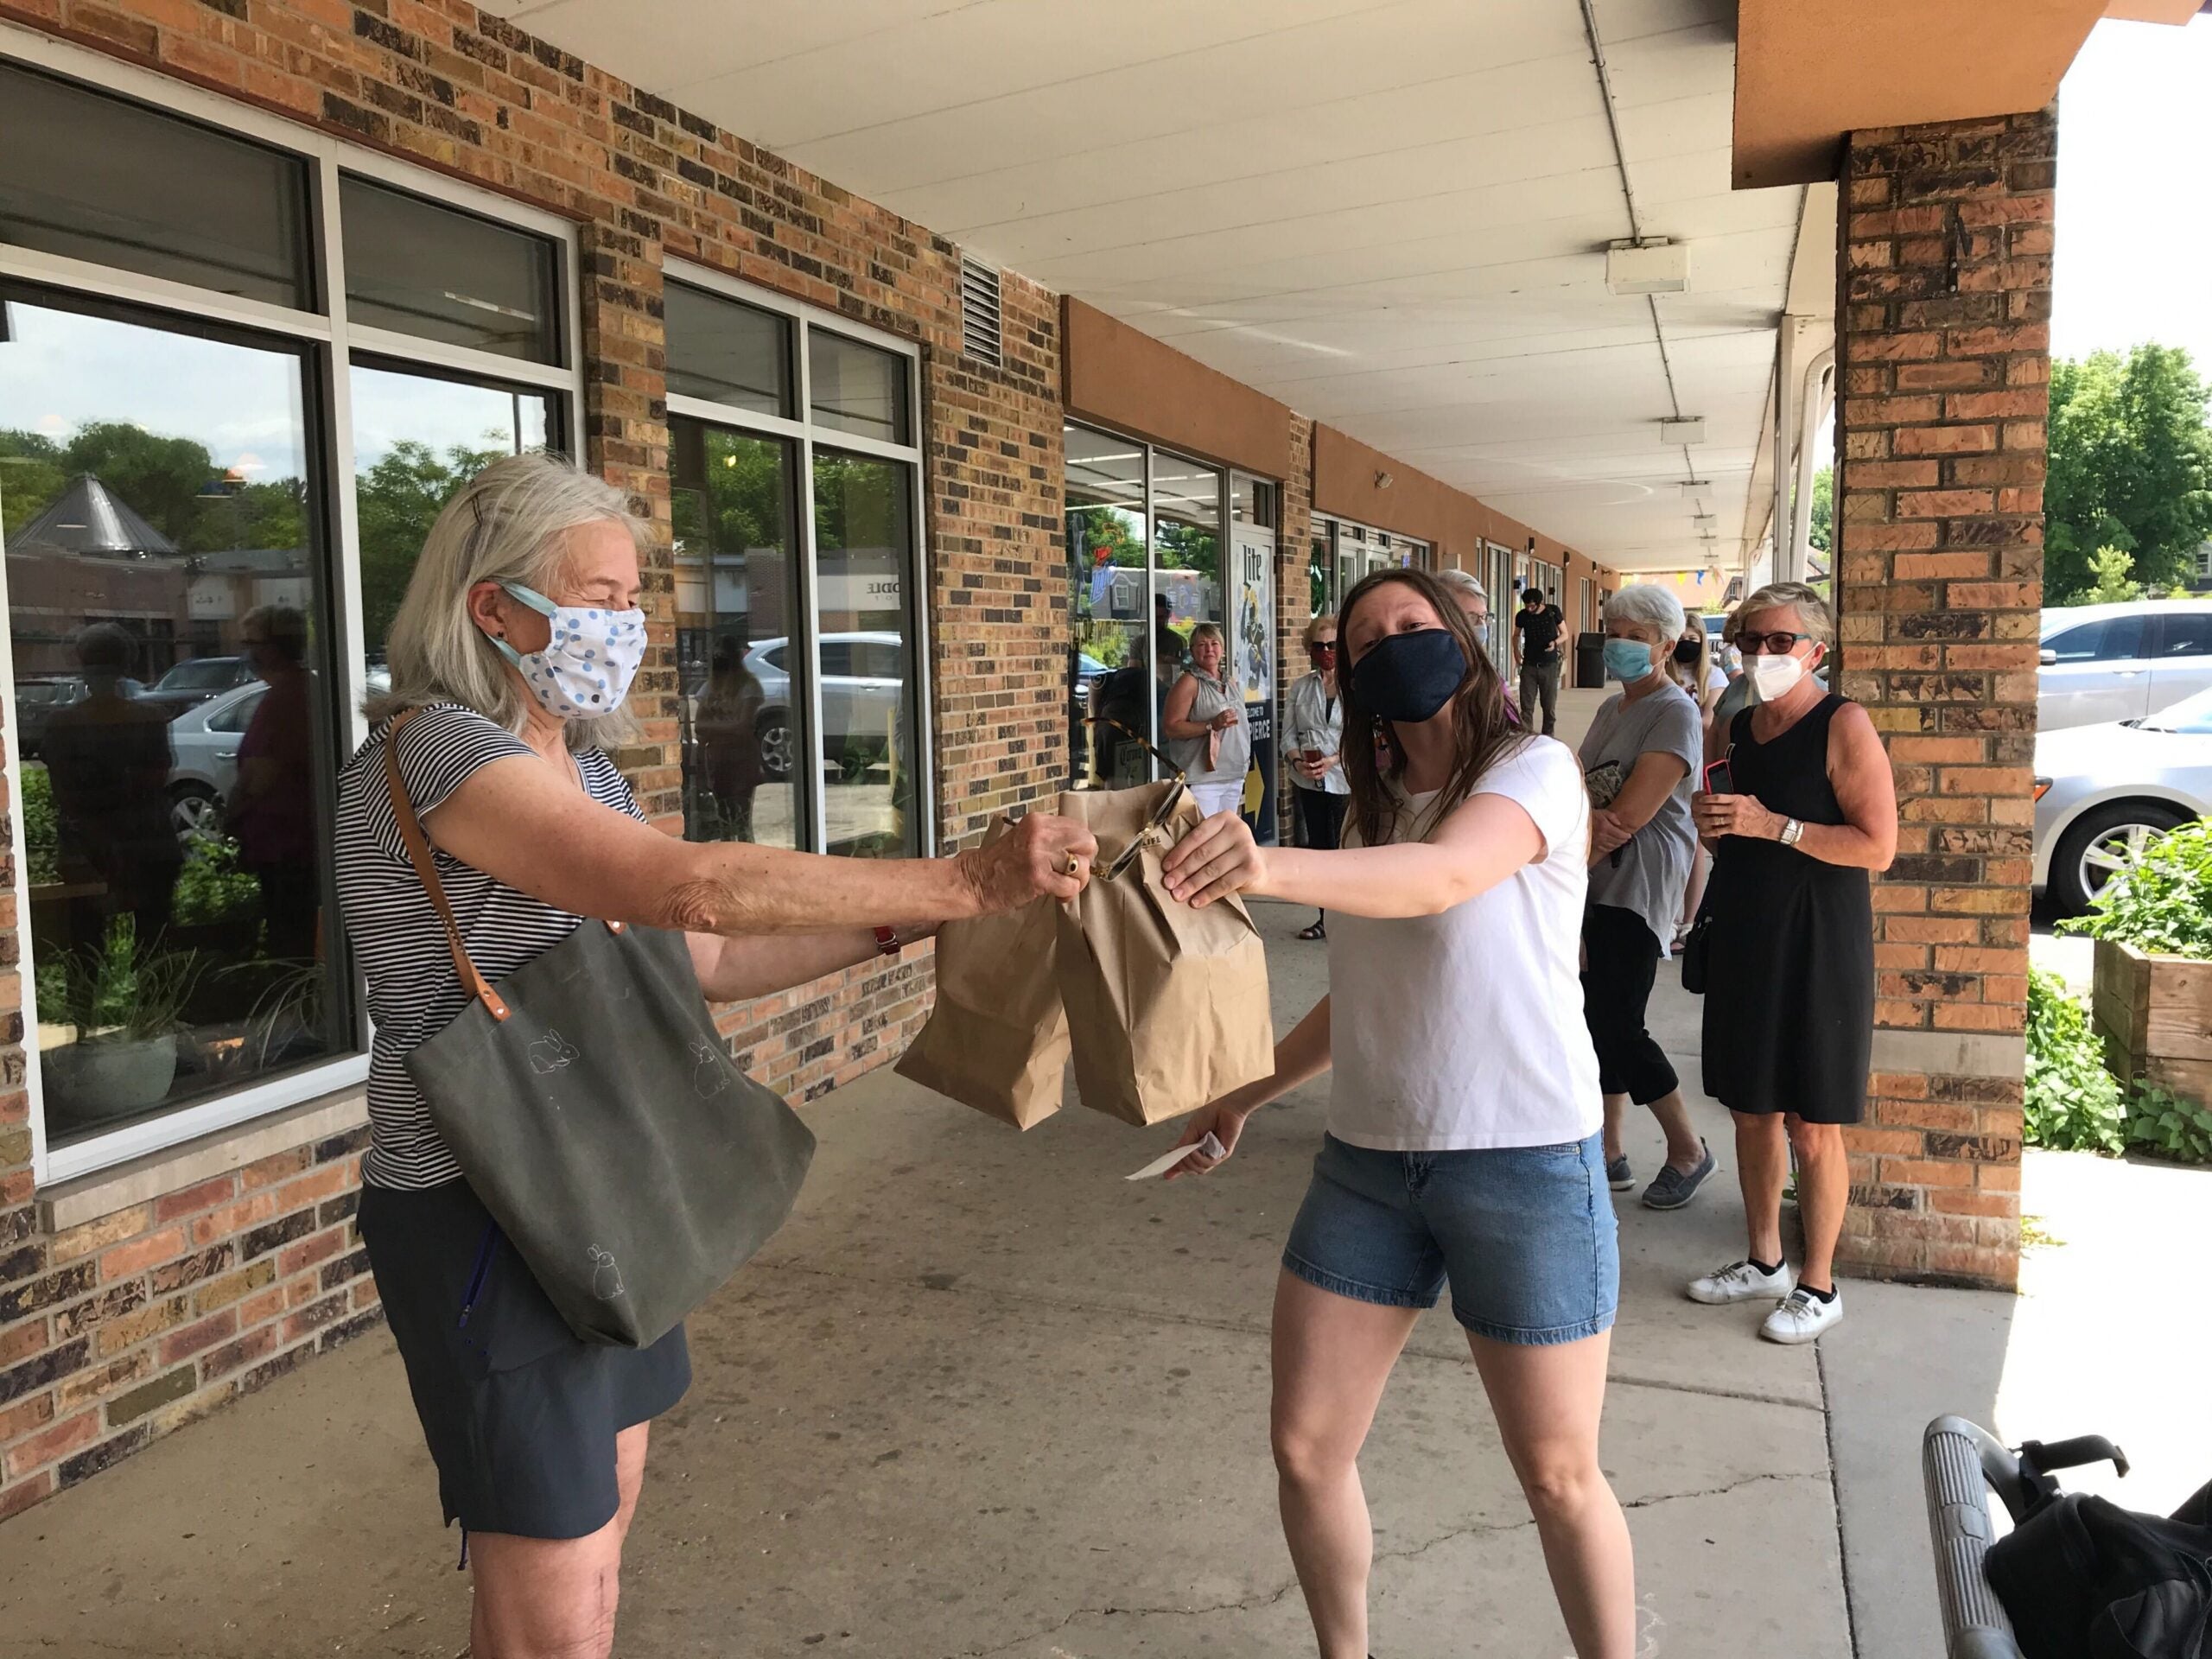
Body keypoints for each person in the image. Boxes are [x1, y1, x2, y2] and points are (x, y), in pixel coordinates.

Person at [334, 454, 1096, 1659]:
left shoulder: (579, 767)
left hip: (608, 1184)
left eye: (633, 600)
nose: (627, 626)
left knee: (584, 1565)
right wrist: (962, 877)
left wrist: (916, 919)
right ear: (493, 609)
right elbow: (693, 890)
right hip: (491, 1204)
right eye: (599, 598)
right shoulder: (438, 752)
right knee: (561, 1619)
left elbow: (712, 960)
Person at [1159, 568, 1635, 1659]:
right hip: (1367, 1166)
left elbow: (1442, 878)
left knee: (1557, 1474)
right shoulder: (1375, 809)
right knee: (1306, 1447)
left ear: (1463, 640)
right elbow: (1364, 990)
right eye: (1364, 639)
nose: (1389, 646)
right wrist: (1240, 1097)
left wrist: (1265, 863)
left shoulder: (1532, 770)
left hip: (1521, 1162)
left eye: (1412, 625)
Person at [1688, 584, 1896, 1344]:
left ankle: (1819, 1283)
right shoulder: (1735, 726)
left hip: (1819, 942)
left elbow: (1877, 846)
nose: (1762, 655)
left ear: (1817, 649)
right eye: (1750, 641)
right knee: (1751, 1110)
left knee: (1812, 1121)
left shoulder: (1843, 724)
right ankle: (1764, 1260)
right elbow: (1730, 833)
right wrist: (1713, 827)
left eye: (1780, 641)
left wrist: (1774, 825)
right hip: (1747, 932)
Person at [1579, 586, 1714, 1209]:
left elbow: (1626, 818)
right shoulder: (1613, 708)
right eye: (1614, 632)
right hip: (1594, 880)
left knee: (1619, 1024)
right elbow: (1581, 793)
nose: (1621, 645)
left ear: (1667, 644)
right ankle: (1609, 1150)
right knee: (1595, 1019)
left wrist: (1559, 867)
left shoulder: (1674, 712)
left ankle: (1689, 1149)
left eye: (1636, 636)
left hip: (1637, 886)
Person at [41, 622, 181, 969]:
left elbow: (64, 792)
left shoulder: (64, 723)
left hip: (90, 846)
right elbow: (157, 777)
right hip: (147, 841)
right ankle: (155, 999)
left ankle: (87, 1004)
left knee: (85, 946)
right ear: (126, 665)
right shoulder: (148, 718)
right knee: (154, 944)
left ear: (81, 664)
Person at [229, 605, 321, 963]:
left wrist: (230, 816)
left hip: (287, 848)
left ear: (272, 647)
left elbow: (260, 777)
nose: (247, 652)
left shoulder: (284, 699)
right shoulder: (304, 689)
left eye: (250, 643)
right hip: (297, 844)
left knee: (290, 943)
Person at [1285, 613, 1347, 941]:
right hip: (1309, 781)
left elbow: (1363, 736)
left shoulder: (1355, 687)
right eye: (1319, 646)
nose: (1326, 652)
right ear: (1310, 649)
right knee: (1320, 850)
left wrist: (1334, 760)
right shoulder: (1301, 688)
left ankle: (1350, 918)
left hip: (1345, 780)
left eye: (1332, 645)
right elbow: (1288, 735)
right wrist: (1298, 762)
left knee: (1345, 849)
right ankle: (1326, 918)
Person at [1163, 621, 1250, 818]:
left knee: (1226, 832)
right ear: (1193, 651)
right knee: (1203, 833)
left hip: (1233, 774)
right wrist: (1211, 725)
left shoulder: (1230, 682)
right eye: (1202, 645)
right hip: (1203, 780)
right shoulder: (1189, 682)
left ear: (1222, 649)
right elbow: (1171, 728)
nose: (1209, 649)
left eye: (1214, 643)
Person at [694, 639, 766, 842]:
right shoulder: (710, 687)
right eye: (716, 657)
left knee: (742, 816)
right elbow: (699, 726)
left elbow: (743, 727)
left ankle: (745, 854)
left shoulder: (749, 685)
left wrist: (714, 728)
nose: (720, 662)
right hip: (717, 756)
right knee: (723, 815)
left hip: (742, 756)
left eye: (724, 657)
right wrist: (729, 727)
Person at [1512, 584, 1565, 736]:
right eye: (1527, 606)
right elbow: (1516, 635)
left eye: (1532, 606)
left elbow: (1565, 633)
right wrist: (1516, 651)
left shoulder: (1553, 611)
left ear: (1540, 603)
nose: (1529, 609)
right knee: (1526, 706)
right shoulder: (1522, 616)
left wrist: (1555, 643)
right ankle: (1526, 737)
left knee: (1549, 706)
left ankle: (1548, 737)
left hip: (1549, 665)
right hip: (1529, 664)